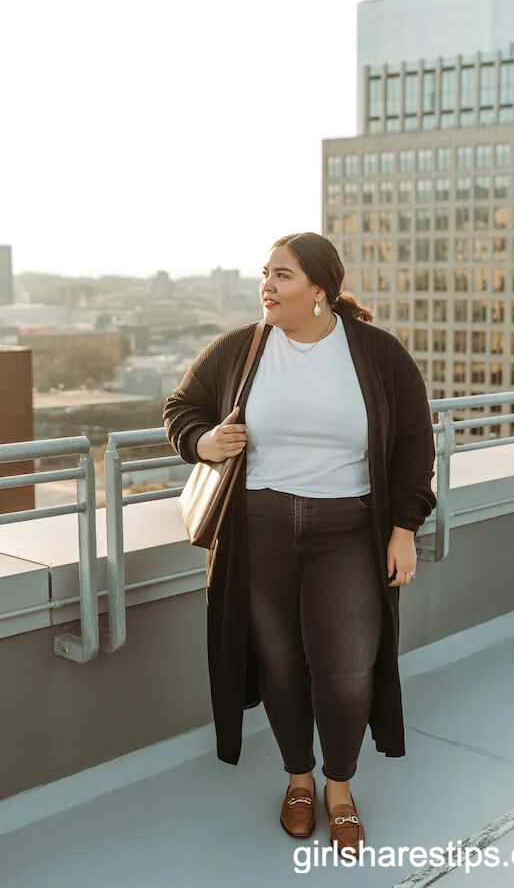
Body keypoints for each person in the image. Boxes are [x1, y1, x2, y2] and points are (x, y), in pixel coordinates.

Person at [163, 231, 437, 855]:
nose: (267, 285)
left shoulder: (376, 353)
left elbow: (415, 447)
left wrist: (403, 529)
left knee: (344, 668)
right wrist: (203, 443)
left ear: (320, 290)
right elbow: (182, 409)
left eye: (282, 275)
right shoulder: (239, 349)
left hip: (347, 531)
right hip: (258, 532)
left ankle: (340, 788)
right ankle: (299, 781)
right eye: (265, 273)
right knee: (280, 664)